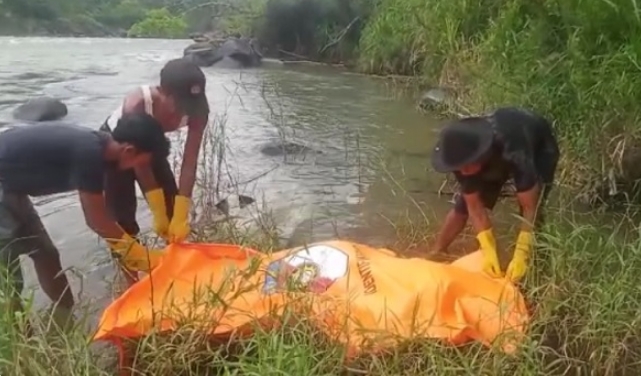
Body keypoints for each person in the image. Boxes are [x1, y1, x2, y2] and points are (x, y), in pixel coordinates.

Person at [0, 113, 170, 318]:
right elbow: (96, 220)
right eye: (141, 163)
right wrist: (140, 255)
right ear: (129, 151)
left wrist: (132, 248)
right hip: (4, 187)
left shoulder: (103, 149)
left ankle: (65, 318)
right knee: (7, 276)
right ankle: (20, 339)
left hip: (12, 188)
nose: (139, 168)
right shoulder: (89, 153)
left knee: (46, 254)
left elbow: (105, 214)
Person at [430, 107, 560, 282]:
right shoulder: (461, 157)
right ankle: (437, 251)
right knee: (462, 206)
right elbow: (474, 207)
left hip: (538, 145)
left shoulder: (513, 149)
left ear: (480, 154)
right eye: (459, 167)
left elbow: (531, 207)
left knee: (530, 207)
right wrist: (487, 249)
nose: (463, 172)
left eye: (466, 166)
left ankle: (535, 264)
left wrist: (521, 254)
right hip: (485, 155)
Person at [100, 57, 209, 248]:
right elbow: (139, 162)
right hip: (119, 145)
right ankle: (132, 273)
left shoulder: (198, 109)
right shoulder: (138, 104)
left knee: (172, 205)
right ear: (163, 92)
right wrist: (156, 209)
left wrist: (181, 212)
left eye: (191, 105)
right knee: (122, 217)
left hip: (152, 144)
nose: (185, 111)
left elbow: (189, 162)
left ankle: (173, 263)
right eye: (181, 104)